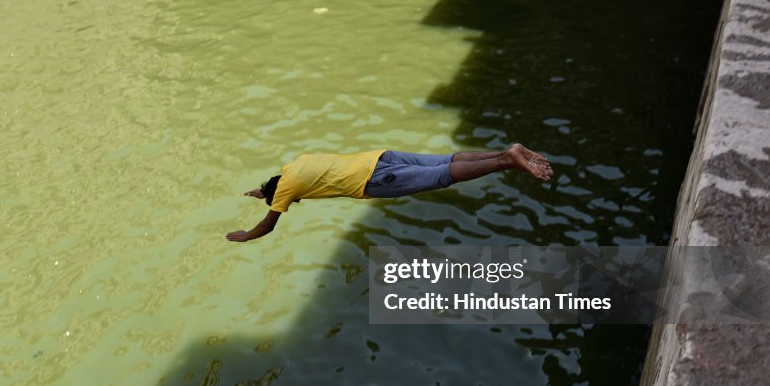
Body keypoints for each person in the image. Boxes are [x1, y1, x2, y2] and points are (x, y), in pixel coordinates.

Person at [225, 143, 553, 242]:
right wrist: (258, 192)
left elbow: (268, 224)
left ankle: (505, 161)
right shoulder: (293, 166)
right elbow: (272, 185)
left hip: (375, 179)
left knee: (442, 176)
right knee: (445, 160)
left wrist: (244, 234)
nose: (293, 201)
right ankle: (510, 156)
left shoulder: (287, 189)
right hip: (381, 156)